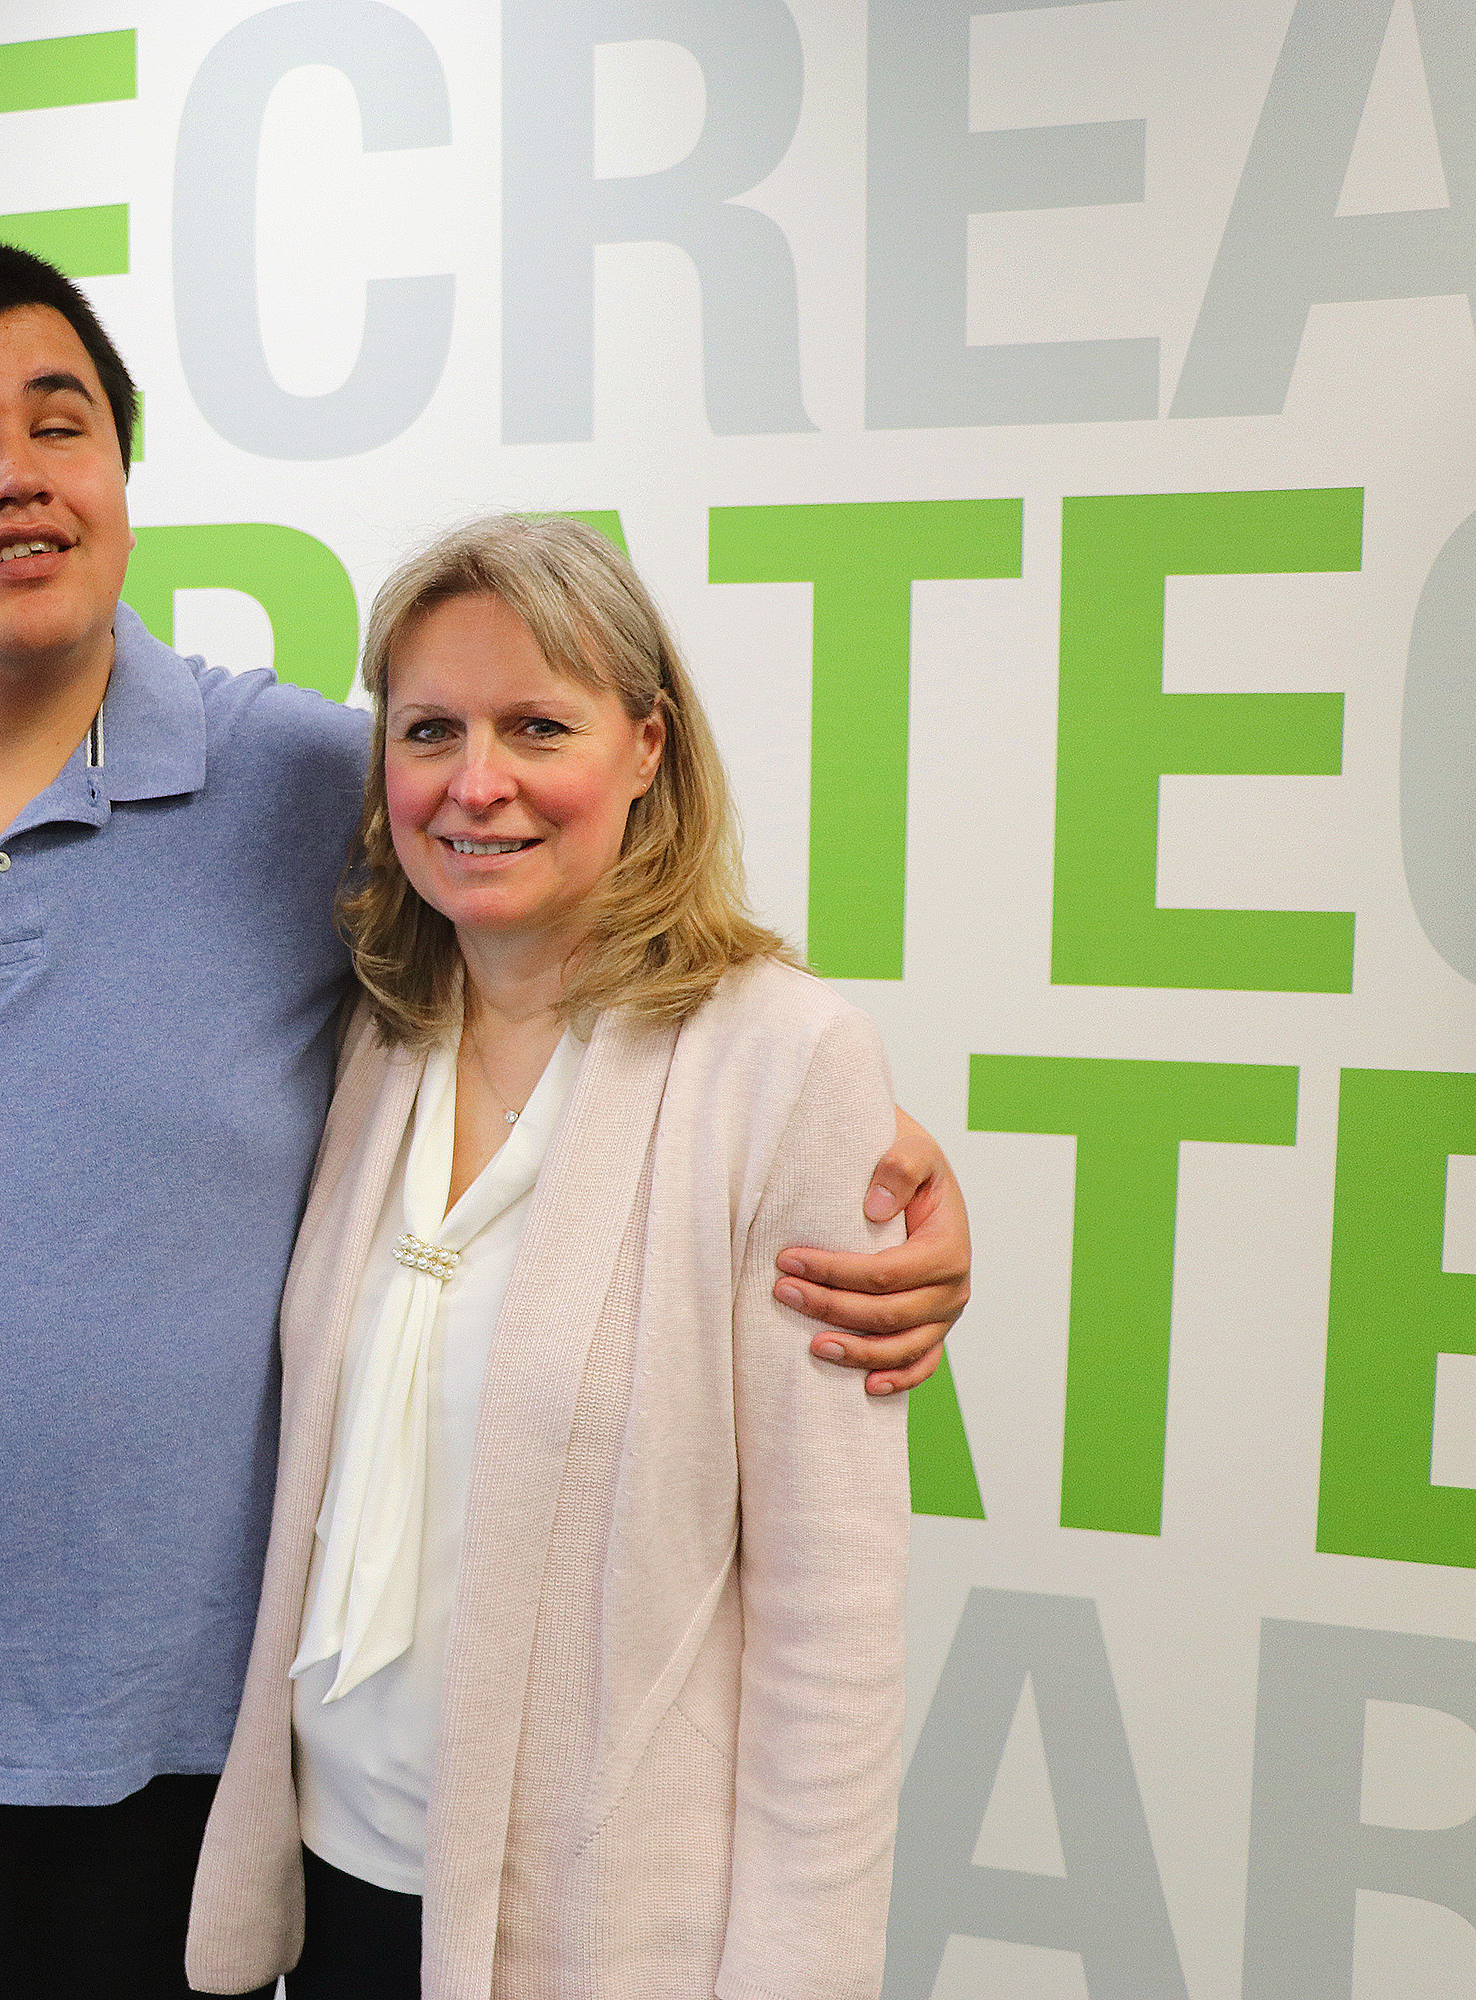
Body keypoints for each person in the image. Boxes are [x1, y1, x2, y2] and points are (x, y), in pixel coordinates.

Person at [0, 241, 962, 1998]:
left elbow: (585, 944)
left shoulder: (313, 788)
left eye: (63, 423)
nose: (19, 472)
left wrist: (876, 1158)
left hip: (181, 1779)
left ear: (121, 482)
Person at [185, 516, 908, 1998]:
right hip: (334, 1899)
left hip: (597, 1945)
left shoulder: (784, 1064)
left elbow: (832, 1629)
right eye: (430, 729)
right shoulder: (376, 1040)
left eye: (537, 726)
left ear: (647, 746)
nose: (477, 781)